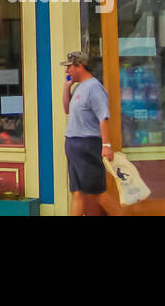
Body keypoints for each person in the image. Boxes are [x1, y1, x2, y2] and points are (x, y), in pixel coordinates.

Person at [61, 51, 115, 216]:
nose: (67, 71)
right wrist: (66, 87)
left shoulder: (94, 88)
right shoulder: (79, 87)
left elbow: (103, 117)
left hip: (87, 144)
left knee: (97, 192)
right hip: (74, 144)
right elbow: (66, 109)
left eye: (69, 67)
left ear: (79, 66)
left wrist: (106, 145)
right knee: (76, 192)